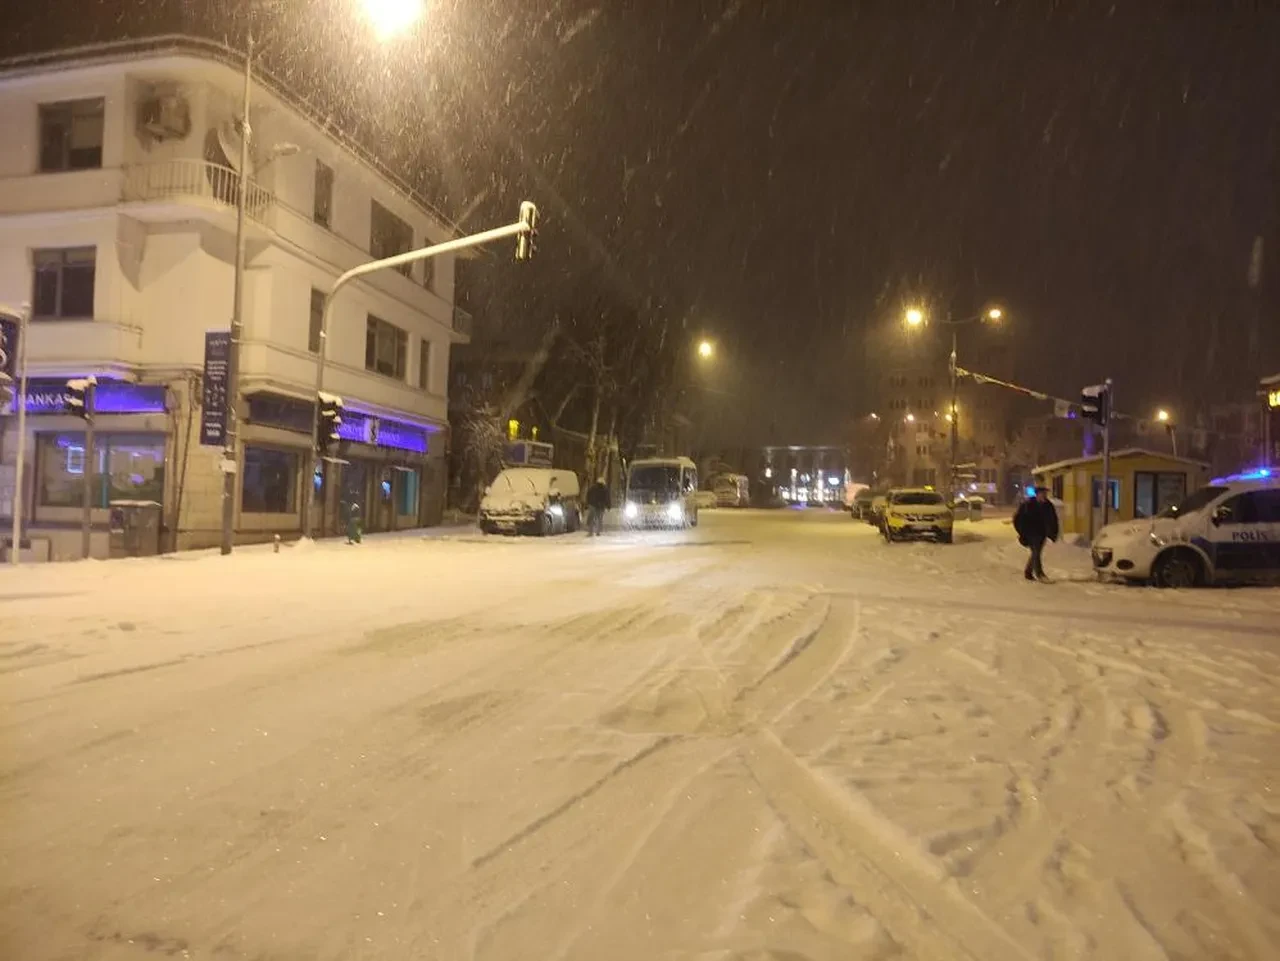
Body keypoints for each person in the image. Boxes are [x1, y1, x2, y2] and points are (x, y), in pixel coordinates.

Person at [1013, 486, 1059, 581]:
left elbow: (1053, 519)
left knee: (1036, 552)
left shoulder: (1048, 505)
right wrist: (1021, 532)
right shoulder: (1027, 504)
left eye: (1045, 494)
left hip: (1042, 533)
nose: (1044, 496)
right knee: (1036, 552)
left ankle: (1028, 572)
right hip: (1030, 533)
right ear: (1037, 494)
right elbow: (1017, 519)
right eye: (1042, 494)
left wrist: (1053, 533)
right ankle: (1040, 574)